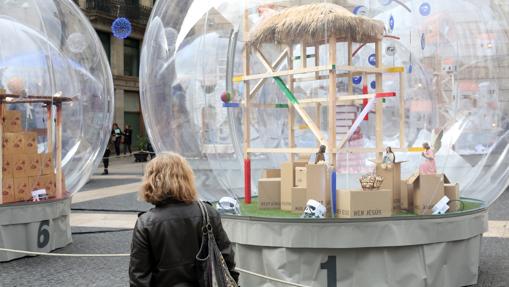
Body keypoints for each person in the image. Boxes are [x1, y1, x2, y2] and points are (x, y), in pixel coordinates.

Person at [129, 152, 239, 286]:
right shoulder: (208, 213)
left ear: (152, 181)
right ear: (187, 178)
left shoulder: (146, 223)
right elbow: (227, 259)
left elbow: (139, 277)